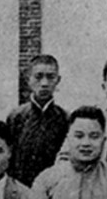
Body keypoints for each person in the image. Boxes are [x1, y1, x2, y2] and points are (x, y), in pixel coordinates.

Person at [7, 55, 69, 187]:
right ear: (28, 79)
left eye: (50, 77)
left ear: (58, 80)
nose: (44, 83)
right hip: (21, 190)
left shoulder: (66, 119)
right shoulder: (16, 117)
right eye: (38, 77)